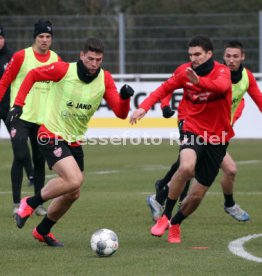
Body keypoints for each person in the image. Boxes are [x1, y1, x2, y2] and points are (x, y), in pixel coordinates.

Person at [8, 37, 134, 247]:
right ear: (82, 56)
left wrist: (125, 98)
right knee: (75, 180)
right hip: (50, 134)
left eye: (98, 60)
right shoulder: (63, 70)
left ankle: (42, 230)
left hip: (74, 141)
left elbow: (121, 113)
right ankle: (29, 203)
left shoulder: (105, 79)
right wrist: (18, 104)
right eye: (90, 58)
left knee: (73, 192)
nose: (94, 64)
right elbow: (32, 75)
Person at [130, 35, 234, 243]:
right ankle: (165, 217)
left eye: (198, 54)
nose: (193, 59)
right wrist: (143, 107)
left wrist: (200, 82)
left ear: (209, 54)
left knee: (196, 196)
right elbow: (163, 89)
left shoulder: (222, 71)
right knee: (186, 167)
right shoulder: (185, 72)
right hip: (192, 128)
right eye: (191, 55)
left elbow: (221, 88)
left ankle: (176, 223)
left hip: (218, 137)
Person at [147, 40, 262, 223]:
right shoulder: (209, 72)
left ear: (243, 57)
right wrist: (164, 105)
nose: (231, 60)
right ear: (221, 56)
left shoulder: (246, 78)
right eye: (228, 56)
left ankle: (162, 192)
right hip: (191, 120)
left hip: (217, 131)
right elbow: (169, 85)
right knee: (188, 165)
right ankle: (165, 202)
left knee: (226, 169)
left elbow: (256, 101)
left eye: (235, 56)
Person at [0, 20, 61, 216]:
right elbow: (4, 82)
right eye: (41, 36)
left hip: (43, 119)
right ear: (35, 38)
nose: (44, 40)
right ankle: (17, 203)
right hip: (20, 115)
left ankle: (38, 204)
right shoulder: (20, 57)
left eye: (48, 37)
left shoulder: (56, 59)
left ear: (51, 39)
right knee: (19, 154)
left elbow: (61, 87)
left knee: (39, 159)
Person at [0, 25, 35, 214]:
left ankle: (31, 174)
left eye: (0, 38)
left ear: (4, 39)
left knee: (19, 149)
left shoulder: (13, 58)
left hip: (8, 110)